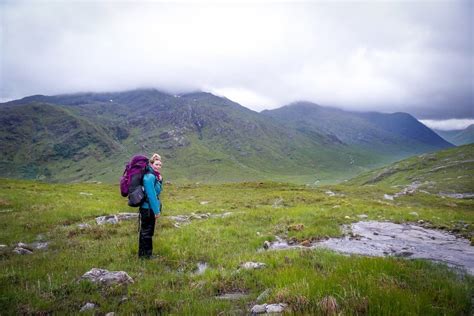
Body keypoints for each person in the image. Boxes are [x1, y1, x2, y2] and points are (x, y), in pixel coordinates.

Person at [138, 153, 163, 259]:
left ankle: (144, 255)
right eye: (156, 164)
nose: (158, 166)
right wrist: (156, 211)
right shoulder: (149, 176)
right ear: (151, 164)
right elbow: (152, 195)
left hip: (148, 208)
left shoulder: (153, 176)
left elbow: (157, 190)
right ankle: (146, 256)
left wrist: (160, 180)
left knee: (146, 232)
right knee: (147, 232)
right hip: (148, 209)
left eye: (160, 165)